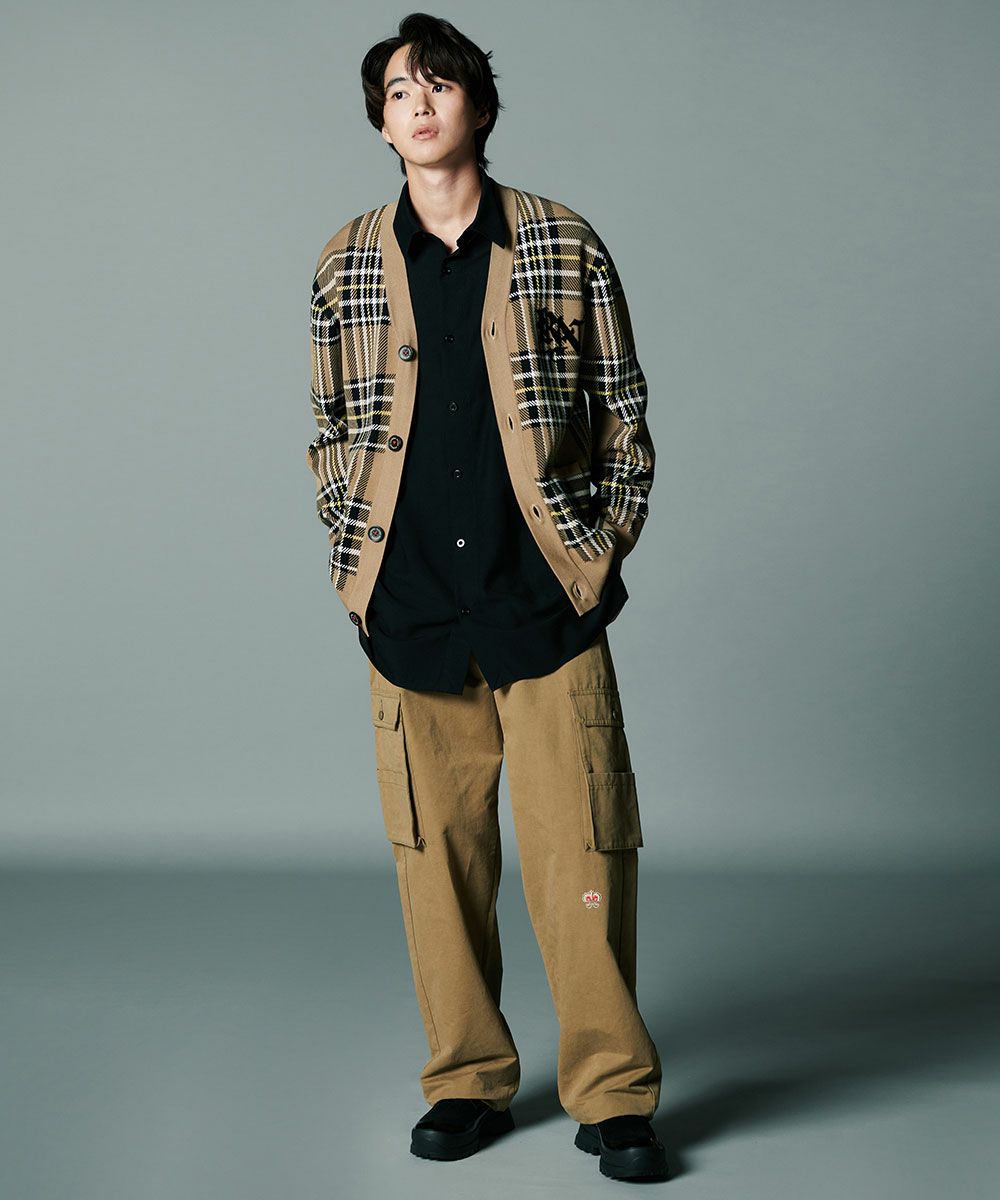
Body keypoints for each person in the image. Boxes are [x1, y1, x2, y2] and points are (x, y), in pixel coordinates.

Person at [306, 12, 667, 1182]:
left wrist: (594, 556)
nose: (417, 105)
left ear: (479, 105)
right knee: (436, 864)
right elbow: (330, 428)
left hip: (543, 606)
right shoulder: (347, 262)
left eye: (439, 85)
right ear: (380, 123)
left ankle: (613, 1094)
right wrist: (355, 565)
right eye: (396, 92)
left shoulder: (563, 243)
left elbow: (623, 418)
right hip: (411, 609)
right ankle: (465, 1079)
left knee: (584, 854)